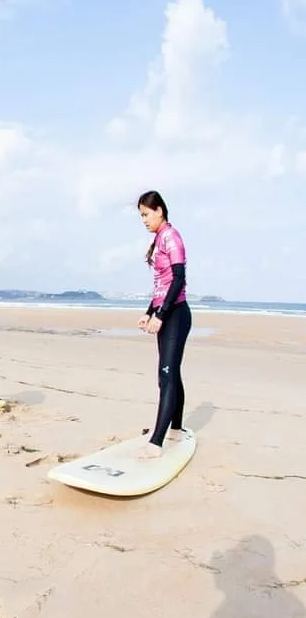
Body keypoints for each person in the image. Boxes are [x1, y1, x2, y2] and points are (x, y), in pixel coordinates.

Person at [135, 190, 191, 458]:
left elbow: (179, 280)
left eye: (146, 214)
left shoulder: (171, 237)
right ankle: (176, 430)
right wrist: (149, 311)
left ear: (159, 210)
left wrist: (161, 315)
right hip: (166, 312)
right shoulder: (158, 240)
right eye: (141, 215)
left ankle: (156, 443)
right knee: (170, 374)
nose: (144, 220)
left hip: (176, 314)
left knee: (167, 375)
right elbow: (161, 286)